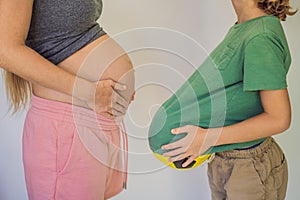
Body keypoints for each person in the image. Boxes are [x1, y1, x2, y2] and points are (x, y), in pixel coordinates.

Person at [160, 0, 297, 199]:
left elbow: (279, 118)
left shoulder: (261, 36)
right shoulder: (246, 26)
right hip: (227, 158)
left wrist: (208, 138)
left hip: (249, 165)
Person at [0, 0, 134, 200]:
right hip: (65, 128)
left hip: (92, 123)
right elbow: (6, 52)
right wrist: (90, 91)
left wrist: (117, 89)